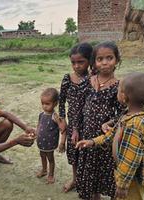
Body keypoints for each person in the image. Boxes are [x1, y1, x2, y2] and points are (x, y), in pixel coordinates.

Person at [76, 72, 144, 200]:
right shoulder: (127, 116)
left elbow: (130, 161)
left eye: (118, 90)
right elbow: (112, 135)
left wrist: (122, 185)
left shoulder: (133, 126)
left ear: (124, 97)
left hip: (131, 180)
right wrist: (92, 141)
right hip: (124, 175)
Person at [75, 42, 126, 200]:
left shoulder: (119, 86)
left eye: (109, 58)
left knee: (105, 170)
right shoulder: (87, 82)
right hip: (87, 134)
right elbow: (78, 107)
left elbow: (123, 113)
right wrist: (76, 129)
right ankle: (94, 196)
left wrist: (110, 122)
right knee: (90, 172)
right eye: (100, 59)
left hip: (106, 139)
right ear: (94, 62)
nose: (104, 62)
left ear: (116, 60)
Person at [58, 43, 92, 192]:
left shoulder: (94, 80)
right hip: (72, 123)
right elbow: (61, 100)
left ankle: (86, 182)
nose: (76, 66)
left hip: (90, 124)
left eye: (81, 62)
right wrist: (62, 119)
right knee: (74, 153)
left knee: (87, 153)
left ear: (90, 60)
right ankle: (75, 179)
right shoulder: (68, 78)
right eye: (73, 62)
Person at [35, 88, 65, 184]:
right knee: (42, 155)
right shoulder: (41, 114)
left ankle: (51, 174)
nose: (44, 106)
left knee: (50, 158)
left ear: (55, 103)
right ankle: (44, 170)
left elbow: (63, 128)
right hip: (41, 142)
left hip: (50, 143)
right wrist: (36, 134)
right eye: (43, 103)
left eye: (47, 104)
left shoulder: (55, 116)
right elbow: (39, 125)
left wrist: (62, 142)